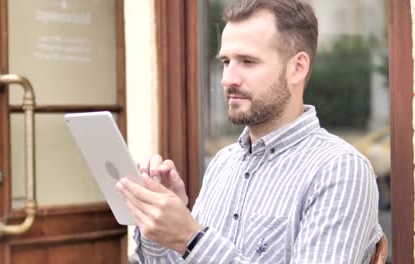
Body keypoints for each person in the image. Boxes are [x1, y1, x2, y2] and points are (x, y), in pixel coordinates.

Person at [116, 0, 382, 262]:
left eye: (247, 61)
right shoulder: (223, 164)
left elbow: (196, 246)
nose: (227, 78)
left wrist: (191, 238)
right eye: (225, 61)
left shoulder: (339, 170)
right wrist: (159, 225)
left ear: (297, 67)